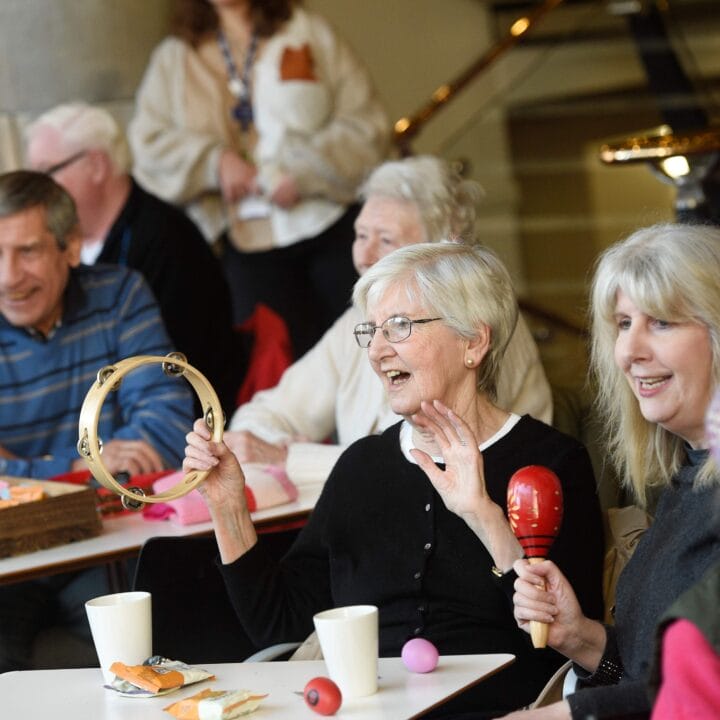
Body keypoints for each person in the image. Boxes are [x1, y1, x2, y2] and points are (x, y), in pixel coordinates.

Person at [184, 242, 604, 717]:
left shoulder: (551, 463)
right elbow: (279, 625)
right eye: (372, 331)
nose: (378, 351)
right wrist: (228, 508)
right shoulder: (363, 467)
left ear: (473, 342)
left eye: (401, 327)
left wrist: (483, 516)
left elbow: (573, 645)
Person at [225, 156, 552, 485]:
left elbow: (421, 463)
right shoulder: (361, 321)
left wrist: (290, 459)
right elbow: (265, 414)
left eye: (385, 241)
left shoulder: (470, 325)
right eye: (361, 236)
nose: (364, 257)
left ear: (444, 244)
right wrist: (264, 447)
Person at [505, 223, 720, 719]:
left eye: (661, 323)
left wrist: (560, 715)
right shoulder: (686, 478)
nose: (630, 351)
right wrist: (580, 638)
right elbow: (648, 676)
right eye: (623, 324)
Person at [0, 170, 195, 672]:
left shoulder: (120, 294)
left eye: (27, 252)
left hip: (106, 543)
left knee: (142, 662)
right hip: (9, 555)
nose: (7, 276)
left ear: (71, 248)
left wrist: (23, 472)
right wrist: (94, 463)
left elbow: (168, 431)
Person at [128, 0, 390, 357]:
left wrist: (305, 170)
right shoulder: (175, 57)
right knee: (279, 365)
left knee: (369, 344)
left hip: (328, 225)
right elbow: (148, 146)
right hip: (243, 241)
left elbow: (367, 125)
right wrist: (213, 162)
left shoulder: (307, 31)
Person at [25, 102, 240, 416]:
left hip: (180, 422)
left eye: (46, 173)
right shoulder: (58, 243)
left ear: (96, 166)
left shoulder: (167, 239)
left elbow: (165, 367)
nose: (36, 193)